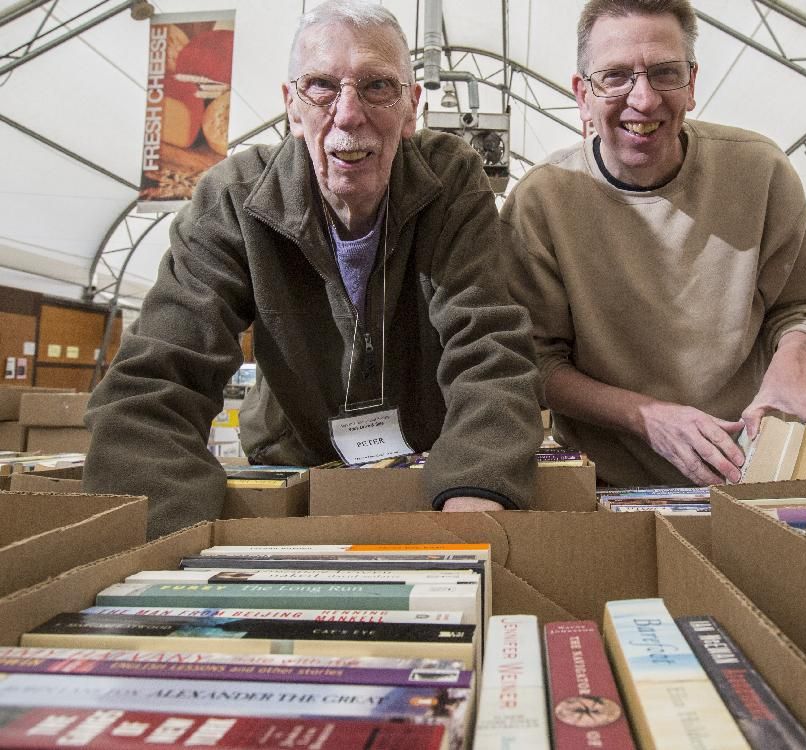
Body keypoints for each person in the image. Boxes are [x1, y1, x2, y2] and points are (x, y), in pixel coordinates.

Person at [83, 0, 541, 538]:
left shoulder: (451, 178)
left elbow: (489, 343)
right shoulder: (234, 198)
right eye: (322, 86)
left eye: (377, 86)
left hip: (425, 468)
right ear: (291, 108)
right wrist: (169, 543)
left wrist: (477, 484)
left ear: (411, 107)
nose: (348, 114)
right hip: (289, 467)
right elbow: (156, 378)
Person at [502, 0, 806, 489]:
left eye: (665, 73)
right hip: (609, 489)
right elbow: (536, 359)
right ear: (582, 95)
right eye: (615, 77)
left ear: (691, 84)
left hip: (756, 477)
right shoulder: (542, 201)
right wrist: (646, 416)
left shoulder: (759, 172)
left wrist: (794, 363)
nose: (643, 100)